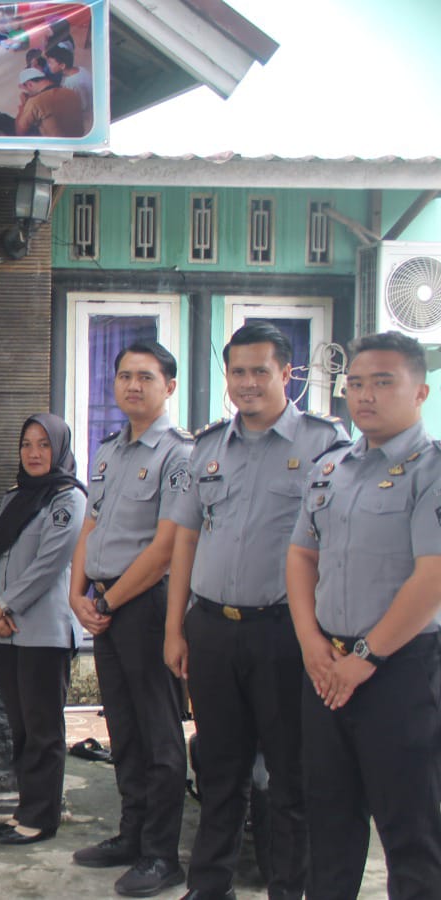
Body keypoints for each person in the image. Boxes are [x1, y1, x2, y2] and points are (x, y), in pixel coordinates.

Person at [166, 323, 348, 900]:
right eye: (237, 372)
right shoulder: (209, 446)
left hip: (284, 635)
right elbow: (186, 540)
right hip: (213, 630)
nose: (247, 383)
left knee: (290, 780)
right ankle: (208, 887)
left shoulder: (323, 444)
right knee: (219, 773)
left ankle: (288, 889)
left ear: (286, 374)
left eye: (259, 371)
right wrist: (176, 627)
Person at [287, 331, 441, 899]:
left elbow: (434, 576)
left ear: (420, 391)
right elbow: (302, 555)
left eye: (383, 382)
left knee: (410, 826)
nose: (365, 395)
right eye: (354, 383)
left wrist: (366, 656)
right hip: (326, 666)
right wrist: (310, 643)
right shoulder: (332, 469)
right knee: (328, 820)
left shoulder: (431, 470)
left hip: (399, 671)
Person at [69, 340, 192, 897]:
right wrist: (77, 595)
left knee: (160, 735)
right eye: (123, 376)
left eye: (146, 376)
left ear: (169, 386)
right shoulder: (107, 452)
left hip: (146, 606)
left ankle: (162, 854)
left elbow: (167, 546)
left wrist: (109, 601)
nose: (132, 385)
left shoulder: (180, 455)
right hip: (104, 604)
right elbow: (89, 528)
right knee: (121, 727)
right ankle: (132, 835)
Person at [0, 413, 87, 846]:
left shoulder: (68, 499)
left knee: (43, 729)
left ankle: (41, 817)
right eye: (27, 444)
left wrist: (4, 604)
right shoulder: (14, 498)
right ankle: (26, 805)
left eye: (44, 444)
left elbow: (50, 563)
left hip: (44, 629)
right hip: (7, 631)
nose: (34, 453)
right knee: (21, 726)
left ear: (59, 449)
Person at [16, 66, 84, 138]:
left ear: (30, 84)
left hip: (56, 145)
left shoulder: (35, 102)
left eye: (26, 89)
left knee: (4, 119)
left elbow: (19, 133)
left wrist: (23, 106)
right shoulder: (70, 92)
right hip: (78, 138)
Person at [45, 46, 92, 130]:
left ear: (62, 65)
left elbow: (83, 104)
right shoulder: (80, 69)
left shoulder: (71, 83)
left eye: (50, 63)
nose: (48, 66)